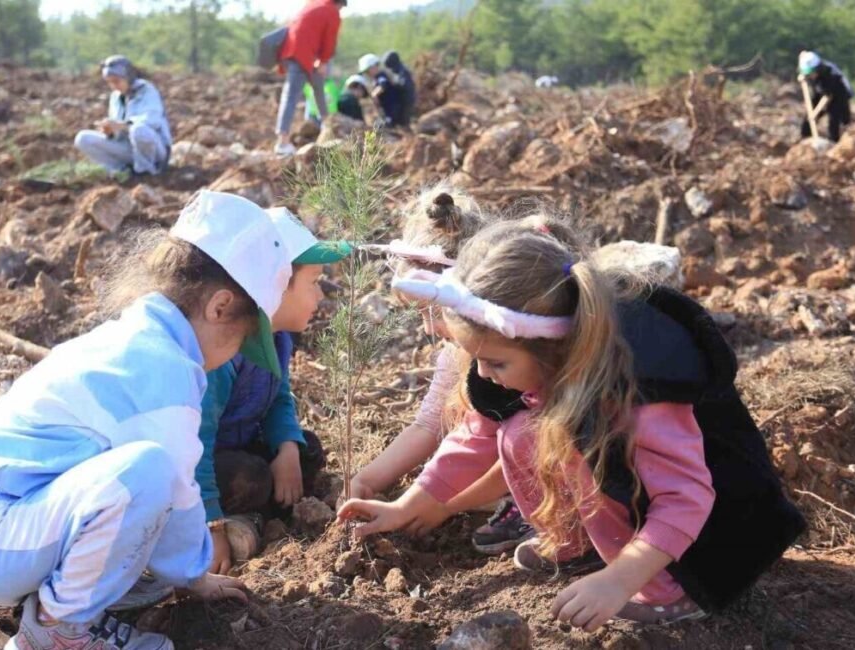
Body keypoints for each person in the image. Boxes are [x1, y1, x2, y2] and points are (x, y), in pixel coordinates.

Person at [340, 214, 806, 628]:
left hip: (718, 532)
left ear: (551, 348)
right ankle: (578, 543)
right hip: (639, 494)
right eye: (476, 359)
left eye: (496, 363)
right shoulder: (533, 362)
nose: (483, 374)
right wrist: (409, 504)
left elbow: (687, 498)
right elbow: (473, 436)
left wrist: (619, 581)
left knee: (571, 445)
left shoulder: (641, 391)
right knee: (520, 432)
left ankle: (669, 592)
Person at [0, 191, 295, 650]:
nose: (235, 355)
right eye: (241, 341)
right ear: (219, 306)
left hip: (13, 523)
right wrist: (196, 573)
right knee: (148, 472)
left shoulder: (142, 336)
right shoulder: (163, 370)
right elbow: (179, 486)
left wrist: (185, 573)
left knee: (147, 481)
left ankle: (77, 602)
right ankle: (57, 630)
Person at [353, 189, 532, 555]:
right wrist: (368, 479)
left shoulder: (524, 348)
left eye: (433, 312)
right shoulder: (457, 353)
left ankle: (542, 511)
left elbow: (526, 443)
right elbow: (431, 424)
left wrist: (447, 504)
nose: (428, 329)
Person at [200, 207, 353, 574]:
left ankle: (259, 509)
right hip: (203, 466)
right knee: (251, 476)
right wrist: (212, 525)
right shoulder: (224, 353)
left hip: (243, 443)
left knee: (306, 450)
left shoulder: (279, 338)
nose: (320, 295)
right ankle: (238, 522)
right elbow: (197, 443)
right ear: (277, 284)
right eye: (313, 281)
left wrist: (286, 447)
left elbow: (278, 398)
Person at [74, 56, 172, 177]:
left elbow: (152, 120)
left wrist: (124, 125)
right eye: (109, 82)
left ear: (128, 77)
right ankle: (121, 171)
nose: (113, 86)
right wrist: (110, 132)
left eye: (116, 81)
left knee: (138, 130)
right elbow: (119, 131)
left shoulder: (147, 90)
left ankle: (146, 172)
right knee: (83, 138)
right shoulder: (116, 96)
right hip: (129, 149)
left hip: (155, 150)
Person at [274, 0, 346, 156]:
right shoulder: (331, 11)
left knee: (318, 87)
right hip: (300, 56)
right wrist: (324, 60)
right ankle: (282, 142)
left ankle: (327, 129)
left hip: (292, 52)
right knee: (291, 96)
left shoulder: (313, 4)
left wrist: (319, 60)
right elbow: (329, 40)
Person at [798, 50, 854, 142]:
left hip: (838, 95)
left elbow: (827, 97)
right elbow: (802, 55)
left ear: (817, 69)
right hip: (820, 93)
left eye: (811, 73)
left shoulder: (829, 74)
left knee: (835, 122)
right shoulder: (809, 67)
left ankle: (835, 143)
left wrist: (815, 113)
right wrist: (802, 76)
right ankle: (806, 140)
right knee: (808, 119)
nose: (810, 75)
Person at [358, 53, 404, 128]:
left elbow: (383, 85)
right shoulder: (375, 79)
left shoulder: (381, 76)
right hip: (387, 109)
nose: (367, 74)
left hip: (392, 109)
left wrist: (374, 94)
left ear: (374, 67)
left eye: (367, 71)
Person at [383, 50, 417, 127]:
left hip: (406, 102)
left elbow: (405, 85)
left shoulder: (403, 71)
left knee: (404, 123)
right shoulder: (397, 70)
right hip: (401, 102)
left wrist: (393, 83)